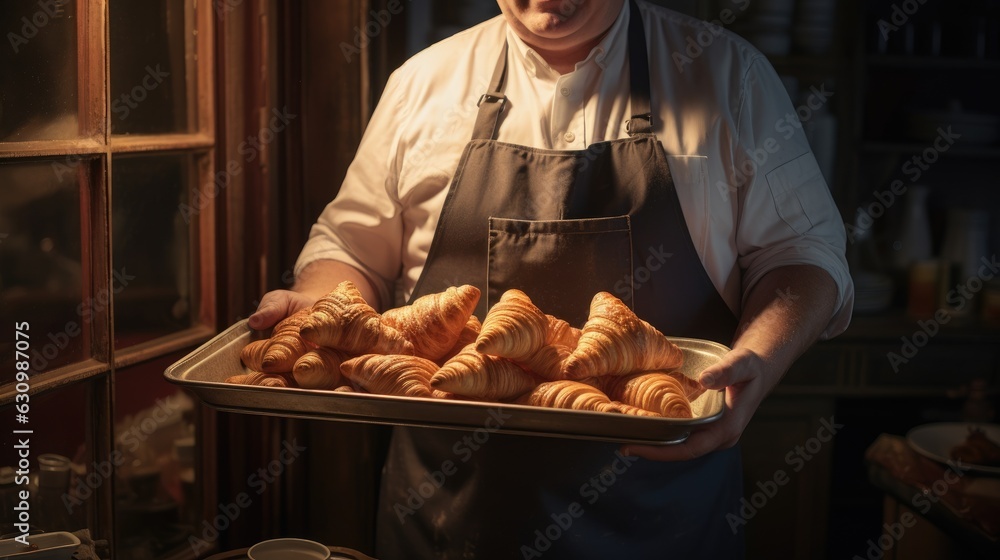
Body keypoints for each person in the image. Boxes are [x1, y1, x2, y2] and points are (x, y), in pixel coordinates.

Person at [250, 0, 853, 557]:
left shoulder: (726, 75)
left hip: (663, 512)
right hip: (449, 513)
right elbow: (353, 251)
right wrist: (316, 312)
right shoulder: (422, 84)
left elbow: (802, 255)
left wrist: (761, 360)